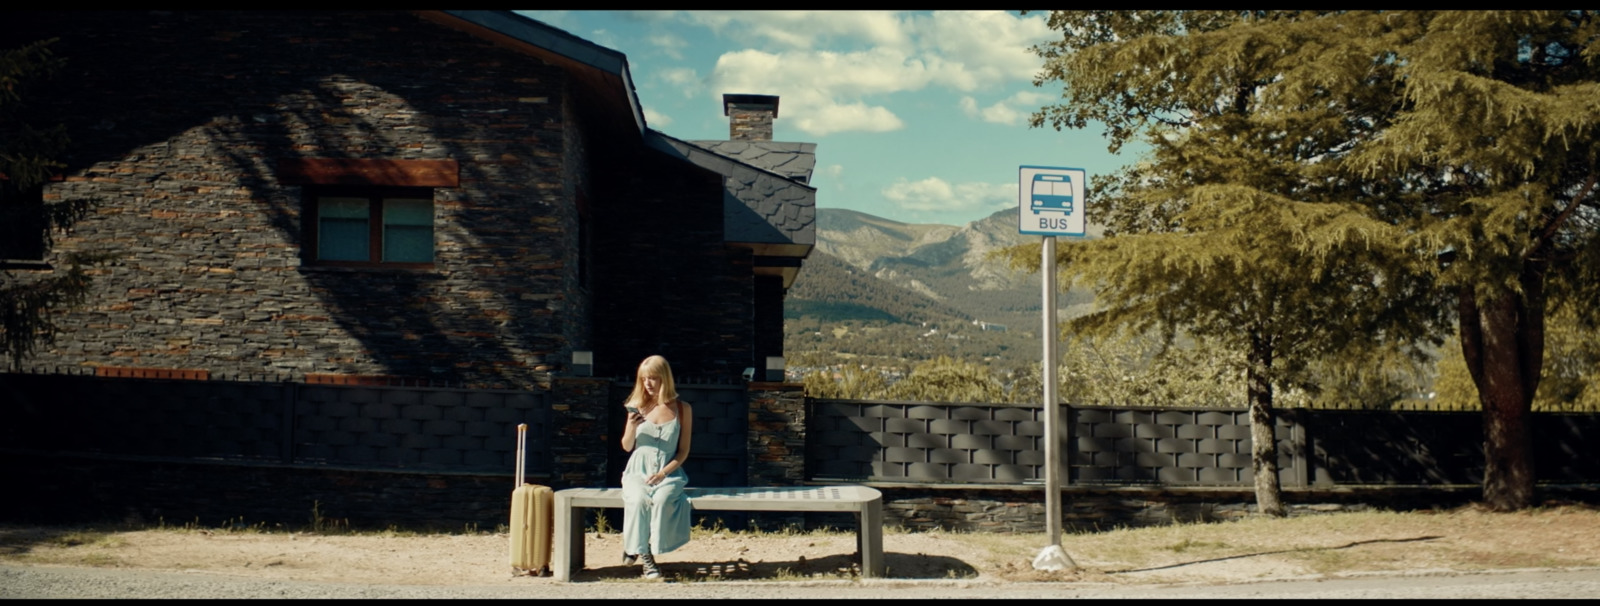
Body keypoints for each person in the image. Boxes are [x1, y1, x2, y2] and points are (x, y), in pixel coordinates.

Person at [619, 354, 694, 579]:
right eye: (644, 379)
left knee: (662, 500)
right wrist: (631, 428)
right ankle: (646, 558)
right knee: (640, 499)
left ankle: (640, 544)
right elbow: (626, 446)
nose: (648, 384)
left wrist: (663, 473)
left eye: (653, 378)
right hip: (637, 471)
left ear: (664, 379)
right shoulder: (636, 406)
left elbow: (683, 451)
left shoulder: (682, 409)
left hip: (668, 471)